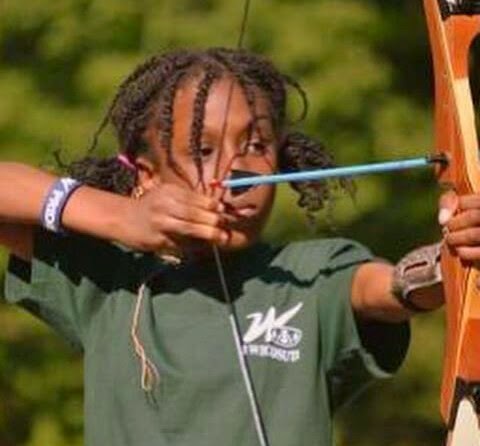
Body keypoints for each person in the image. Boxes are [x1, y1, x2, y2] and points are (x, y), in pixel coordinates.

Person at [0, 47, 475, 446]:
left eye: (256, 146)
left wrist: (454, 255)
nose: (238, 175)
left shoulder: (309, 275)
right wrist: (121, 216)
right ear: (147, 176)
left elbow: (394, 287)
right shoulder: (109, 281)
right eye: (203, 151)